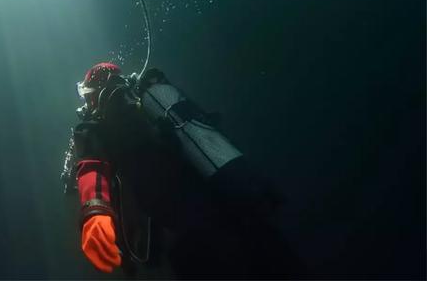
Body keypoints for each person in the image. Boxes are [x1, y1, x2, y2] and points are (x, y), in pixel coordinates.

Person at [61, 62, 301, 278]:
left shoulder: (95, 129)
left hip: (189, 237)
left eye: (87, 98)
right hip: (234, 204)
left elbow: (92, 168)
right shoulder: (151, 103)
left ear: (93, 95)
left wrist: (94, 212)